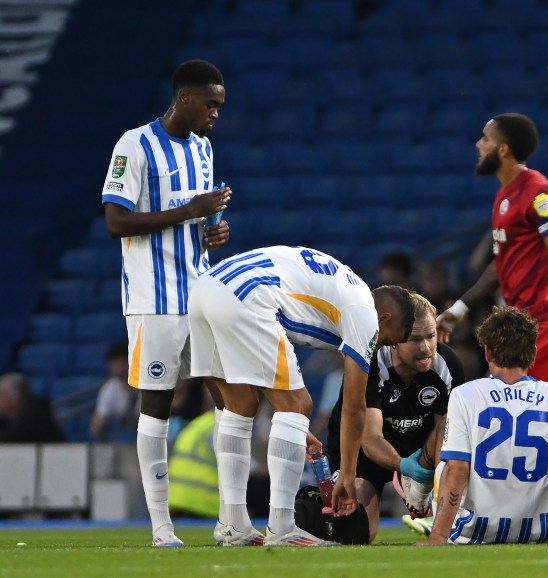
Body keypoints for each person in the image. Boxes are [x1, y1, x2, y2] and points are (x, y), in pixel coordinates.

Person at [188, 245, 415, 547]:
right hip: (248, 294)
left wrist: (293, 429)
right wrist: (346, 475)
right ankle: (282, 528)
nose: (382, 346)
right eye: (388, 339)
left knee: (239, 406)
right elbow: (354, 407)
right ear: (384, 317)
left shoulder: (347, 290)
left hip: (207, 287)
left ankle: (232, 525)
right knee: (300, 404)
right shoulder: (366, 315)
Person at [100, 59, 230, 548]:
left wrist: (210, 231)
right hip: (154, 298)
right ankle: (161, 527)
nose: (216, 114)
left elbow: (195, 226)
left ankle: (232, 521)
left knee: (229, 399)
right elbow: (116, 222)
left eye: (220, 105)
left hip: (201, 291)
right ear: (184, 99)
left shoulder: (204, 149)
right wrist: (190, 212)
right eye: (210, 104)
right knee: (156, 405)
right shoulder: (134, 145)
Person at [420, 307, 548, 545]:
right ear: (533, 353)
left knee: (447, 463)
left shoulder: (465, 395)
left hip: (473, 533)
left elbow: (457, 470)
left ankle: (430, 517)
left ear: (487, 352)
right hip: (537, 534)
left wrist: (438, 538)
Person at [437, 113, 548, 400]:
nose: (477, 144)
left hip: (545, 325)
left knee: (514, 405)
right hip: (525, 325)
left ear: (503, 149)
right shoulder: (503, 196)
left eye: (485, 138)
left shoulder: (538, 193)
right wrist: (459, 309)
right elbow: (501, 264)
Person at [324, 293, 465, 542]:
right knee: (357, 535)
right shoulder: (369, 363)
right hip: (360, 452)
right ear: (395, 340)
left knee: (451, 427)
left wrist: (430, 480)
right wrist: (403, 466)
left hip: (418, 450)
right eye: (415, 339)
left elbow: (448, 432)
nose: (426, 348)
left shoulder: (448, 365)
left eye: (431, 336)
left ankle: (420, 493)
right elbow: (369, 438)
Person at [89, 341, 139, 441]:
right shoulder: (110, 388)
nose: (111, 366)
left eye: (116, 361)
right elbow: (96, 427)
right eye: (110, 362)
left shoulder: (150, 385)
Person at [0, 372, 63, 443]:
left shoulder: (37, 415)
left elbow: (16, 437)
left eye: (1, 394)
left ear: (14, 398)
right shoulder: (5, 419)